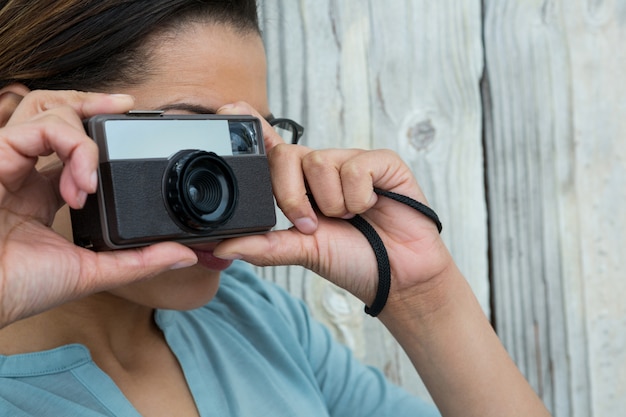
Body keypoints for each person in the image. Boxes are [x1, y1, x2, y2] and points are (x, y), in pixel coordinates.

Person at [0, 1, 551, 416]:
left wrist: (422, 295)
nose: (227, 189)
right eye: (191, 135)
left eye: (243, 139)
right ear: (24, 129)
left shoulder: (253, 318)